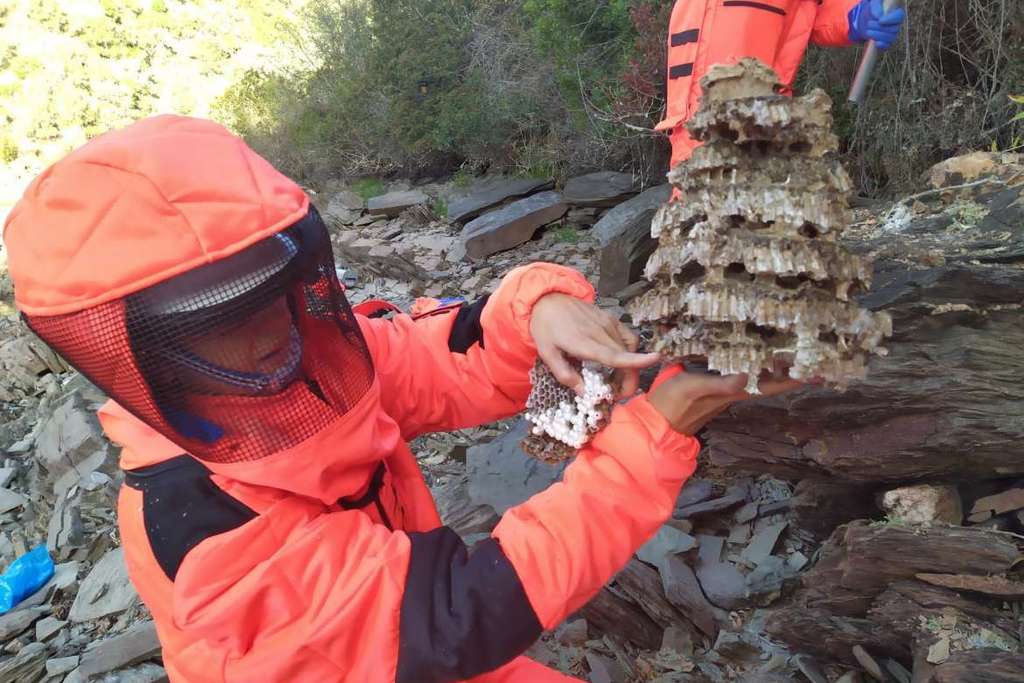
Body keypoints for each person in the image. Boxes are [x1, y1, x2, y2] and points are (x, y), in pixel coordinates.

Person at [3, 115, 801, 682]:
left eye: (272, 296)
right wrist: (657, 432)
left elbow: (449, 357)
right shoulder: (202, 537)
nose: (266, 338)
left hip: (411, 631)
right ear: (141, 353)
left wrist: (540, 308)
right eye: (216, 328)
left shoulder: (318, 357)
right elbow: (461, 614)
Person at [657, 0, 907, 171]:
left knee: (752, 234)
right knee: (693, 233)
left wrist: (855, 15)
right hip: (686, 137)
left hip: (756, 133)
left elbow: (819, 11)